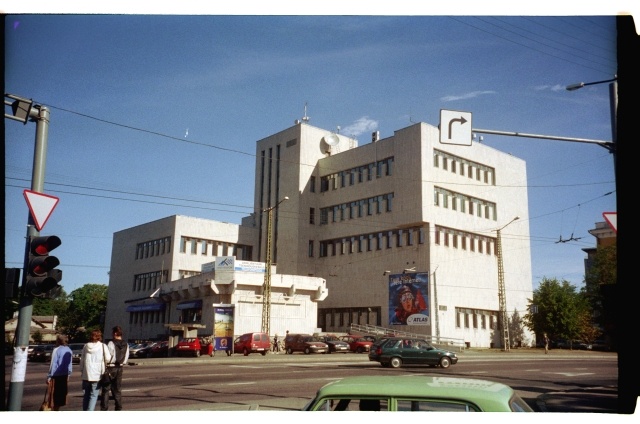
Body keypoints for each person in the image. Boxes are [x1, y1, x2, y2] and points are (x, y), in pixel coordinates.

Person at [80, 329, 111, 411]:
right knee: (93, 396)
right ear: (99, 337)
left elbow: (82, 360)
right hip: (97, 375)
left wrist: (82, 371)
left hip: (86, 374)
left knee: (86, 395)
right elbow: (108, 358)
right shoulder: (103, 346)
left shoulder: (86, 346)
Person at [101, 325, 130, 411]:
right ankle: (118, 408)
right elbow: (126, 356)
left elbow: (108, 355)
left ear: (115, 333)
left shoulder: (111, 343)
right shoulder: (126, 344)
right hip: (120, 367)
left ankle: (104, 408)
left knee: (106, 389)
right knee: (117, 389)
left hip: (111, 367)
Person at [47, 334, 73, 411]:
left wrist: (49, 376)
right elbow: (70, 365)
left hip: (56, 376)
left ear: (58, 341)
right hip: (64, 376)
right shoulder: (69, 350)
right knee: (60, 398)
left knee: (53, 398)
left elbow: (53, 364)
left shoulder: (56, 350)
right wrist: (68, 375)